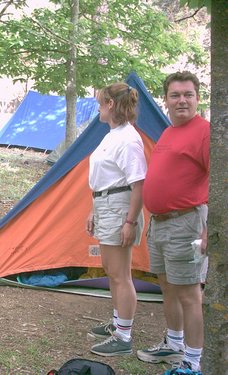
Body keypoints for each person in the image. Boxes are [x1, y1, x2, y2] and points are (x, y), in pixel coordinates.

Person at [137, 71, 209, 375]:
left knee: (189, 293)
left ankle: (193, 360)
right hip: (160, 223)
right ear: (165, 99)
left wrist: (210, 229)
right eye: (175, 95)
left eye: (188, 95)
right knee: (167, 287)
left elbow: (222, 181)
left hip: (186, 223)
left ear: (197, 98)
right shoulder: (169, 132)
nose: (182, 100)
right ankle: (174, 343)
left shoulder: (204, 131)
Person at [85, 83, 147, 357]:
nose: (98, 106)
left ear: (111, 104)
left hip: (119, 207)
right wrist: (93, 209)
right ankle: (117, 321)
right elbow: (106, 178)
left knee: (121, 274)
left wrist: (130, 222)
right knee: (113, 271)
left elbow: (139, 184)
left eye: (101, 101)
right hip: (106, 204)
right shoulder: (113, 134)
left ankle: (123, 336)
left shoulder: (128, 139)